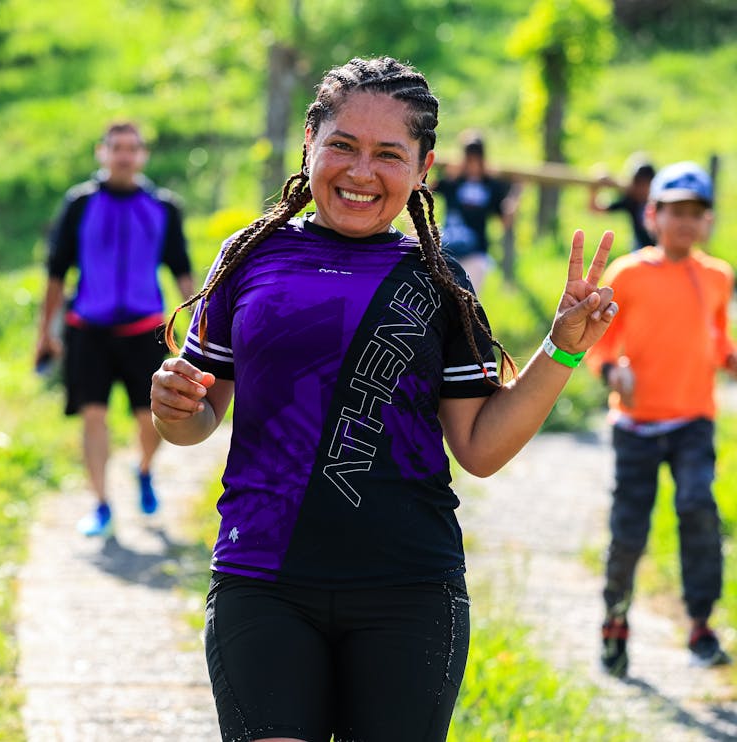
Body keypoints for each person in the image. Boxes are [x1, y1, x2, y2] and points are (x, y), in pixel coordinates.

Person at [150, 57, 617, 742]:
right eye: (342, 145)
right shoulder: (249, 256)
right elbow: (199, 416)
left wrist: (563, 346)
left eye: (389, 154)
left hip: (409, 589)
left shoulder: (439, 279)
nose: (361, 172)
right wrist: (175, 409)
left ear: (424, 168)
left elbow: (481, 448)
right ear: (309, 141)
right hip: (264, 579)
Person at [586, 160, 735, 678]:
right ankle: (615, 620)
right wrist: (610, 371)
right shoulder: (627, 273)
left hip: (693, 418)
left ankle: (700, 624)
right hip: (636, 425)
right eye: (676, 212)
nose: (686, 223)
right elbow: (596, 340)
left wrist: (730, 357)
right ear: (653, 214)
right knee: (630, 530)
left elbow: (717, 337)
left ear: (708, 221)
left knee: (698, 508)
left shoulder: (718, 276)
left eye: (697, 213)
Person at [35, 121, 194, 537]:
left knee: (153, 419)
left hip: (144, 331)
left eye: (133, 148)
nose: (124, 155)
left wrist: (199, 331)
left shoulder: (163, 207)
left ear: (143, 155)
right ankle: (102, 503)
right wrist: (44, 334)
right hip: (88, 330)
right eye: (116, 147)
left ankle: (143, 469)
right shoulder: (80, 203)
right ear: (101, 152)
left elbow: (182, 272)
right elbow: (55, 272)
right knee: (93, 416)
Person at [431, 131, 520, 293]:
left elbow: (505, 220)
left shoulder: (491, 186)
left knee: (468, 300)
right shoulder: (453, 181)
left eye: (476, 158)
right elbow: (427, 190)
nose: (472, 163)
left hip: (476, 252)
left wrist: (515, 195)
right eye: (468, 157)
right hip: (448, 249)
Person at [588, 155, 656, 251]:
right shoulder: (631, 201)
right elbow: (596, 209)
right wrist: (593, 190)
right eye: (638, 183)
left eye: (646, 183)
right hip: (640, 253)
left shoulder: (661, 202)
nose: (642, 189)